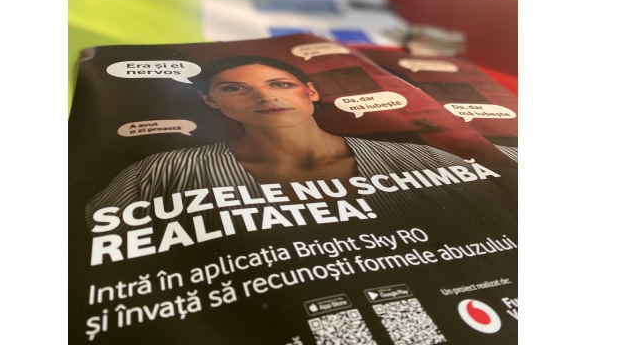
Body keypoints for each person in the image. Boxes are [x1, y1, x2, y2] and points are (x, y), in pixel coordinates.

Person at [85, 56, 515, 229]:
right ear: (210, 101)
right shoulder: (160, 173)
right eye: (234, 89)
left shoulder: (417, 160)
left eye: (279, 84)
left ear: (310, 92)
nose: (264, 97)